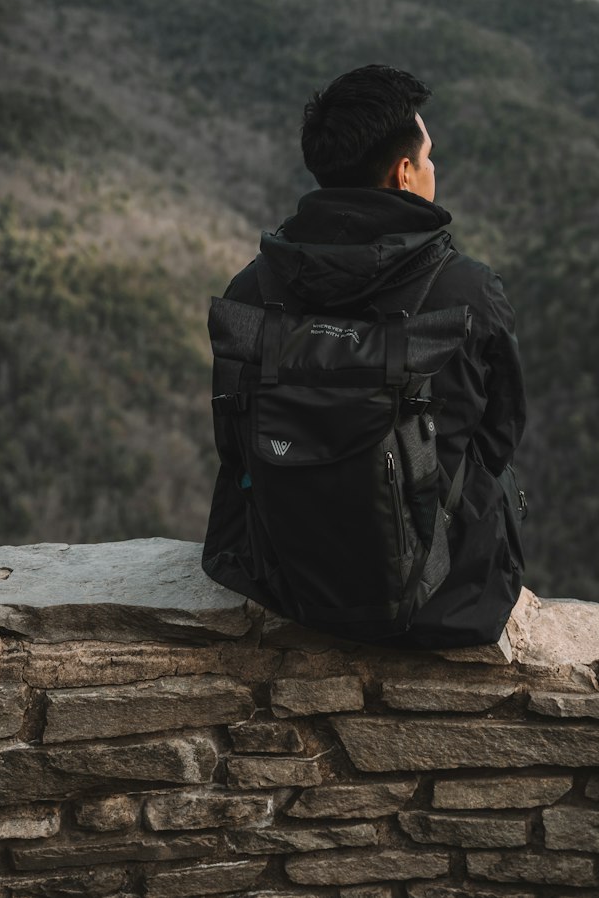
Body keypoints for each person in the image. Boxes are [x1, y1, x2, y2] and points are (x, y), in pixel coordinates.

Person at [202, 64, 527, 647]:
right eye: (428, 158)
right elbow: (500, 436)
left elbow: (233, 442)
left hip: (285, 582)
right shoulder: (468, 292)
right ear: (404, 174)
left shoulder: (251, 290)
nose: (434, 169)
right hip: (446, 601)